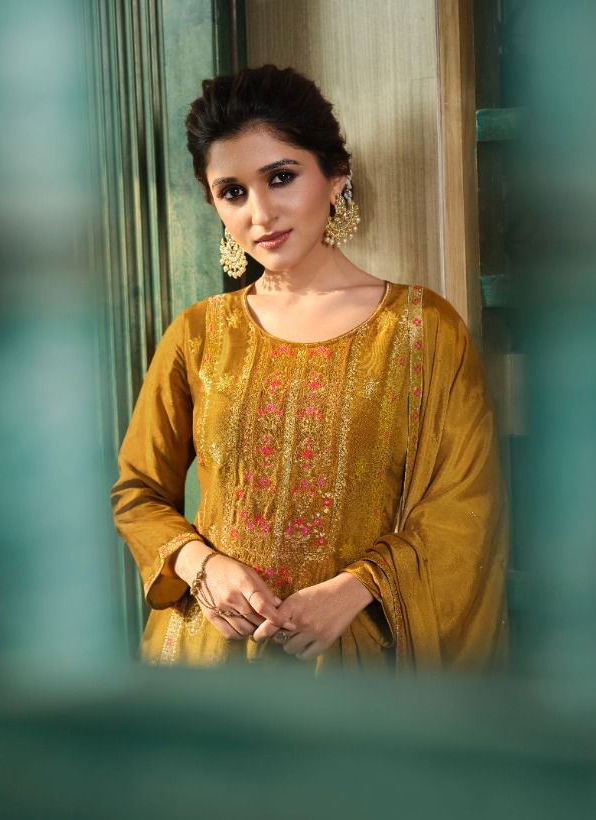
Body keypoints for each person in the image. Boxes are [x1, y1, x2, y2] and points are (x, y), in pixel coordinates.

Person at [110, 64, 509, 674]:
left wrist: (355, 588)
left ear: (335, 175)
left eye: (281, 177)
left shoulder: (422, 330)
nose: (261, 212)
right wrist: (202, 566)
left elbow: (465, 508)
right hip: (206, 659)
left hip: (351, 660)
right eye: (233, 192)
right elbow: (138, 493)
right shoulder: (199, 334)